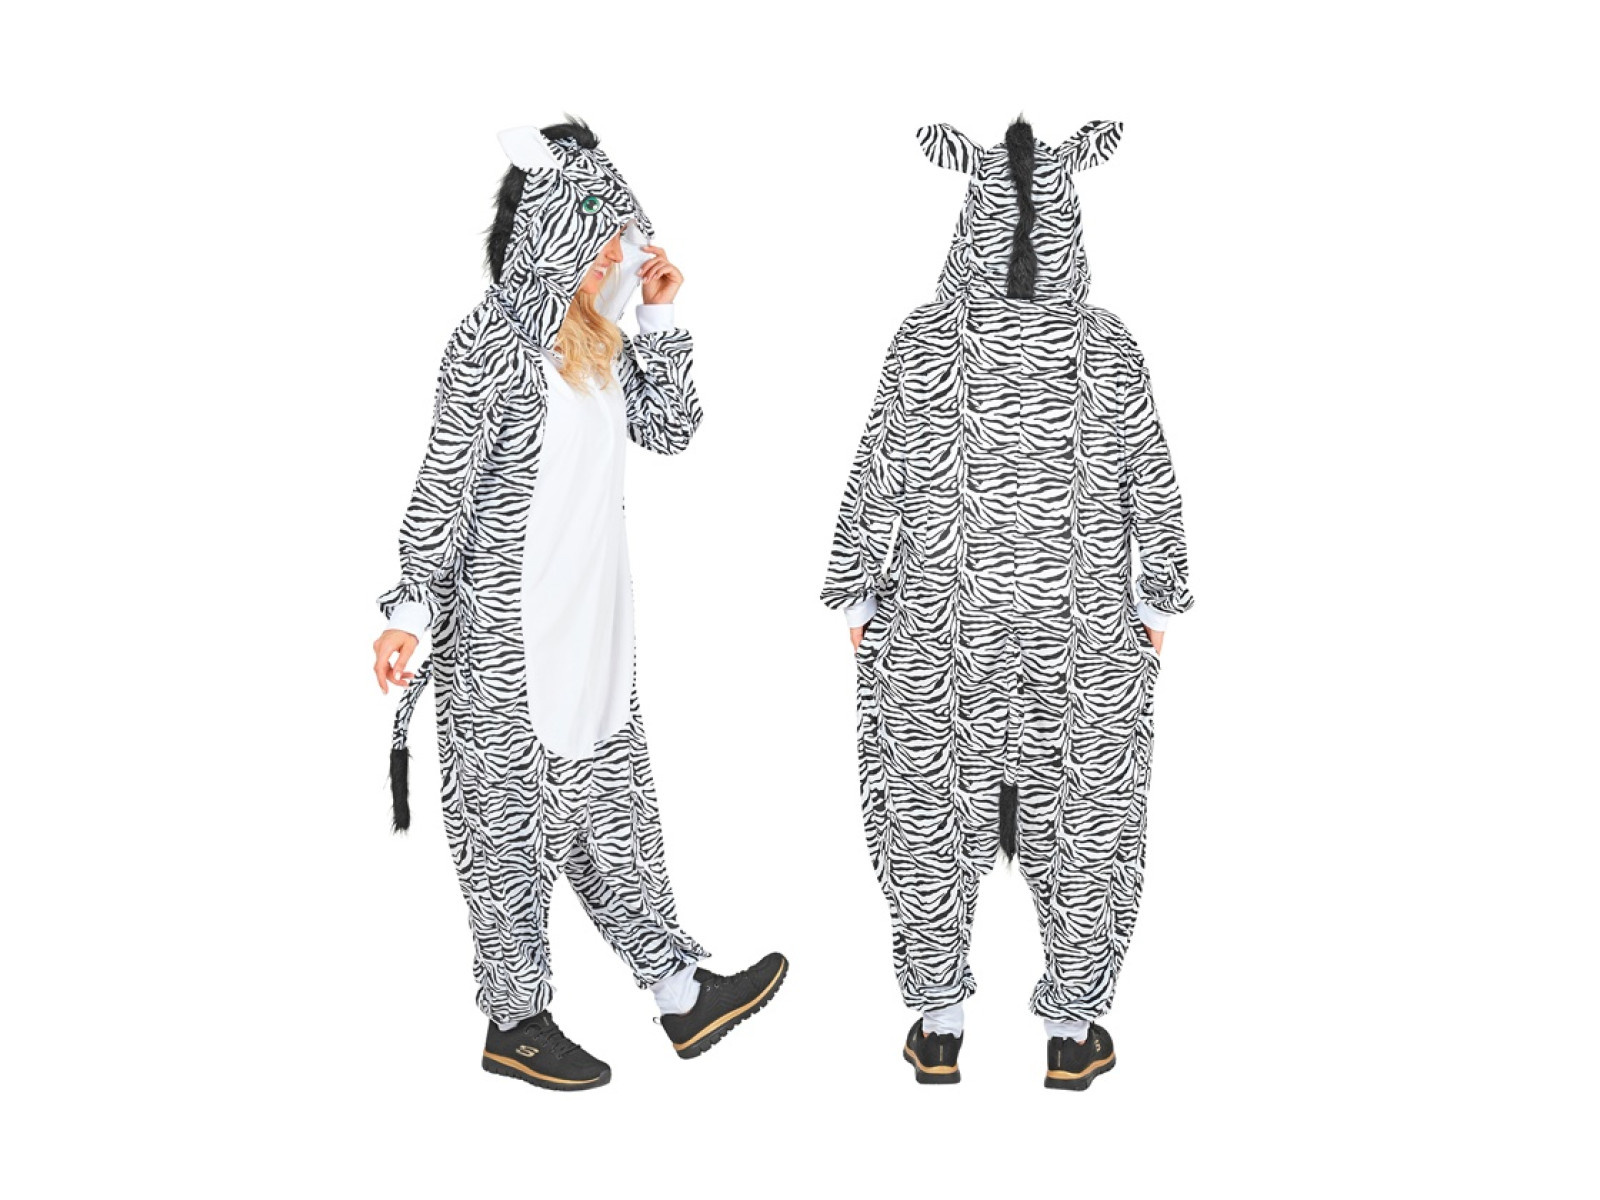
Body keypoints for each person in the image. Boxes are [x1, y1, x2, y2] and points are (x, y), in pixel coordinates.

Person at [373, 118, 786, 1092]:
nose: (616, 256)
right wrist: (409, 609)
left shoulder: (595, 342)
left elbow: (672, 429)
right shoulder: (488, 346)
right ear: (547, 235)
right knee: (508, 830)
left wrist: (660, 318)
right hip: (503, 639)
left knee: (613, 812)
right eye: (599, 240)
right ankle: (515, 1023)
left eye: (620, 241)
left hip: (592, 625)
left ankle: (680, 992)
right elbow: (444, 482)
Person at [820, 117, 1193, 1091]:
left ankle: (938, 1024)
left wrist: (856, 590)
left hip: (940, 627)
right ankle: (1071, 1032)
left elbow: (879, 469)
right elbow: (1152, 479)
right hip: (1082, 634)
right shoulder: (1107, 346)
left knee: (928, 816)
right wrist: (1158, 601)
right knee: (1088, 822)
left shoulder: (926, 339)